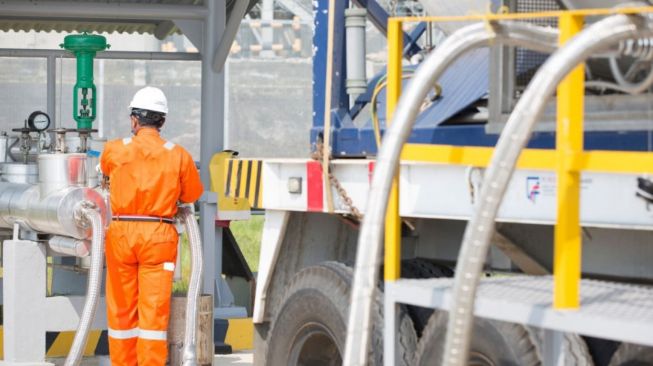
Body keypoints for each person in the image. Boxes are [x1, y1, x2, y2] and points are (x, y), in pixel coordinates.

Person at [100, 86, 203, 365]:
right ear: (163, 121)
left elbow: (105, 173)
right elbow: (192, 195)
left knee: (121, 311)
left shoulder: (114, 150)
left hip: (121, 233)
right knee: (153, 316)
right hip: (158, 235)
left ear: (134, 120)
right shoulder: (178, 154)